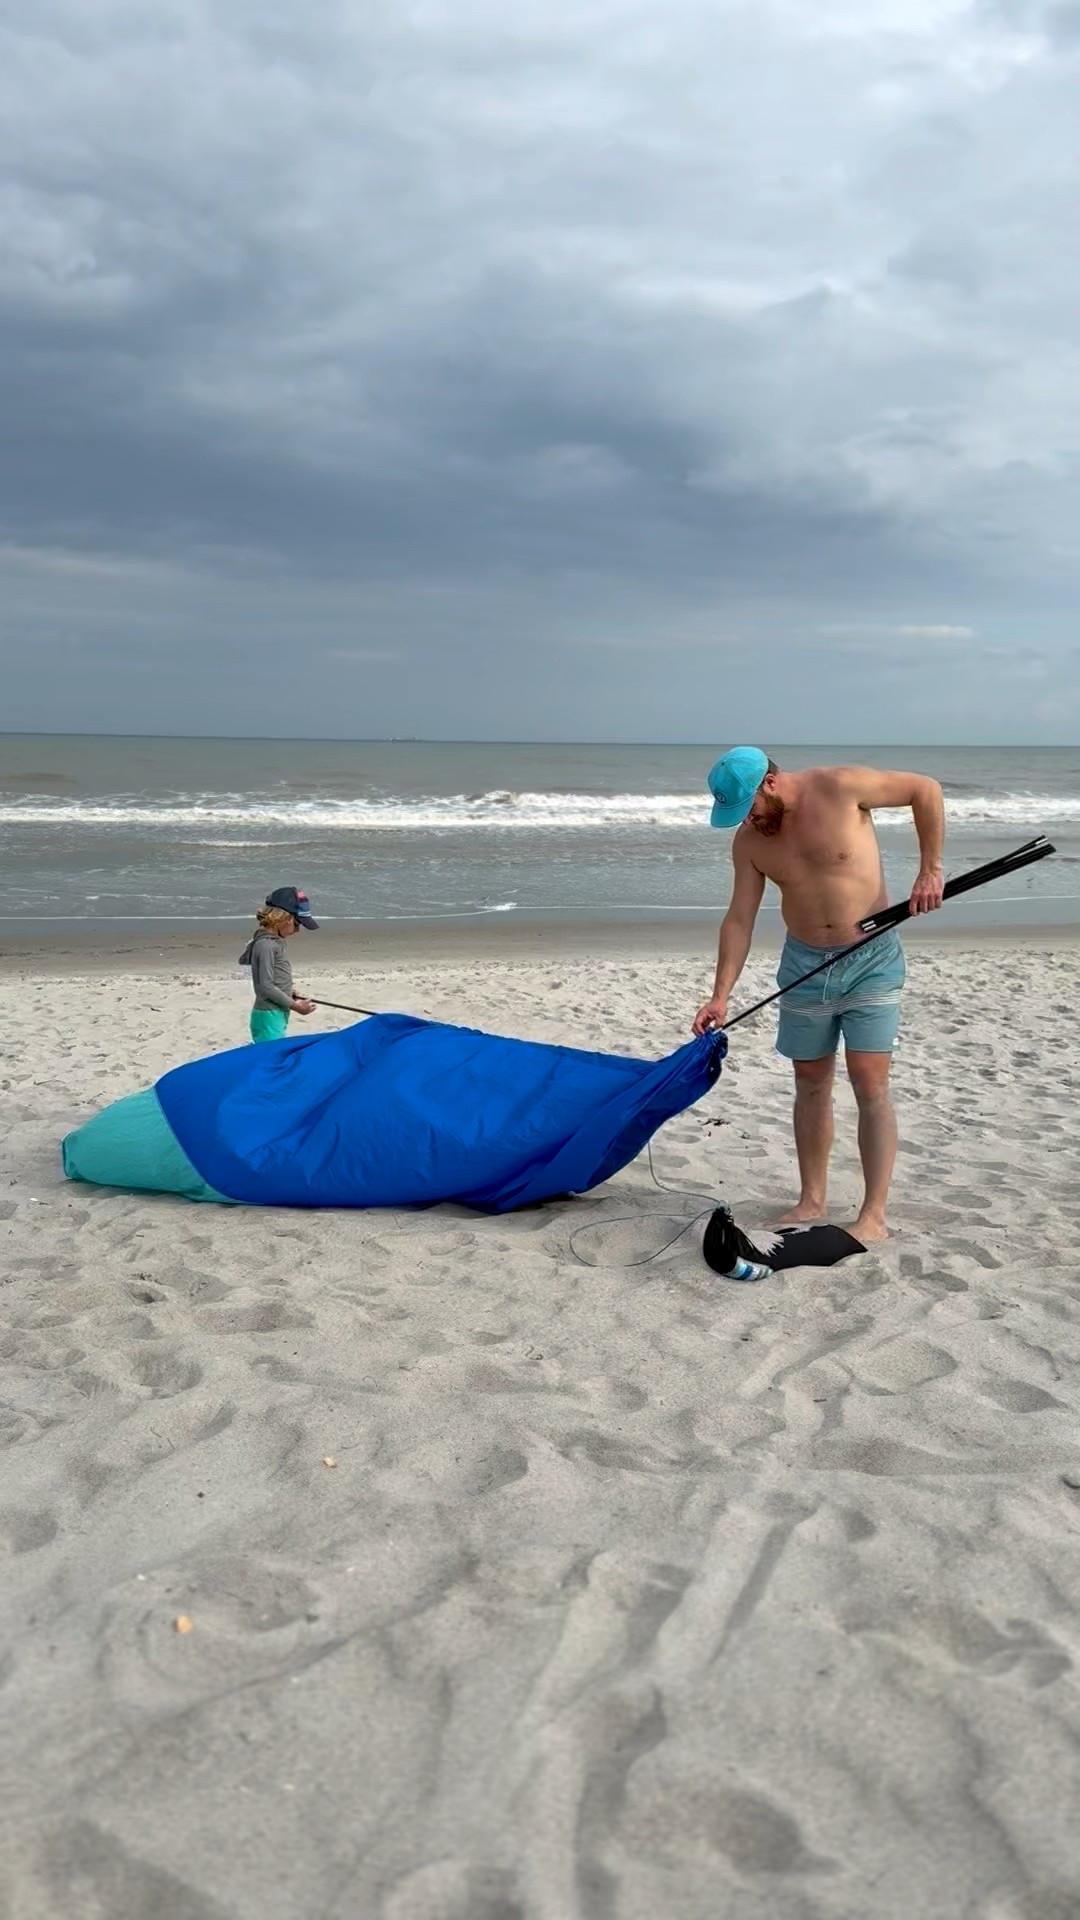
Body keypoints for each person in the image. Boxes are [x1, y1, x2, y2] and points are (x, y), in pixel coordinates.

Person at [692, 748, 946, 1242]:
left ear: (769, 784)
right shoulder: (750, 843)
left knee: (869, 1081)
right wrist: (719, 995)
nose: (745, 822)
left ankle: (873, 1213)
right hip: (804, 966)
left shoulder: (841, 786)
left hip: (871, 956)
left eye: (747, 809)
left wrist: (929, 870)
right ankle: (812, 1199)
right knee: (810, 1080)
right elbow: (739, 919)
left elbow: (926, 789)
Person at [239, 887, 319, 1043]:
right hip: (268, 1015)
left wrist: (287, 989)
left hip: (277, 1011)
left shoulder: (274, 943)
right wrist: (296, 1006)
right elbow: (266, 987)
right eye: (297, 924)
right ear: (283, 918)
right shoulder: (266, 945)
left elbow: (273, 978)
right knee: (270, 1056)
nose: (297, 930)